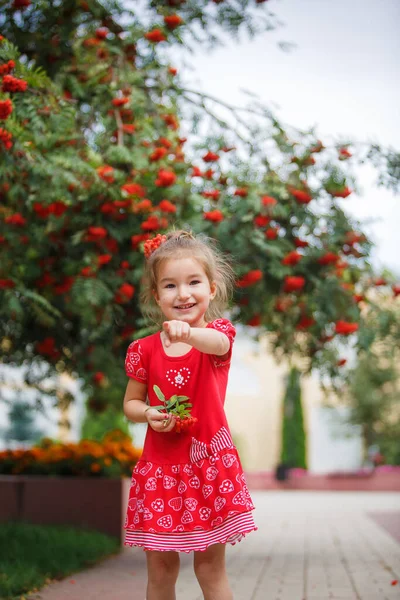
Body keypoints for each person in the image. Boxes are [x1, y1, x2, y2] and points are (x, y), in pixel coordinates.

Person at [123, 230, 256, 600]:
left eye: (193, 282)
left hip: (207, 466)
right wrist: (148, 412)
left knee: (210, 568)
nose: (182, 294)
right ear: (156, 296)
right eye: (170, 285)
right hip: (160, 470)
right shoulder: (143, 350)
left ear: (212, 289)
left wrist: (188, 335)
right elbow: (131, 403)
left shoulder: (216, 336)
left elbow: (218, 343)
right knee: (161, 572)